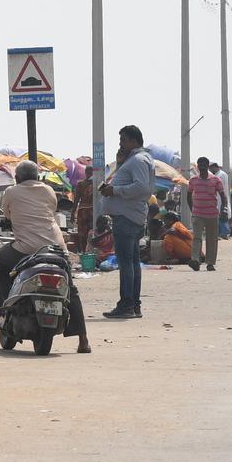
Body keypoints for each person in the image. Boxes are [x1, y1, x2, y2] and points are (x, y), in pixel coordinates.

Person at [0, 161, 90, 353]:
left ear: (17, 178)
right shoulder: (49, 191)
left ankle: (5, 306)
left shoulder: (11, 191)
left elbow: (8, 215)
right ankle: (83, 341)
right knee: (71, 289)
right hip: (56, 249)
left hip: (25, 249)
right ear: (37, 177)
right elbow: (49, 212)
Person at [99, 125, 156, 319]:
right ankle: (133, 304)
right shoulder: (137, 159)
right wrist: (120, 163)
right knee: (132, 263)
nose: (121, 144)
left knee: (126, 264)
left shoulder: (139, 160)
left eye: (123, 140)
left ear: (133, 141)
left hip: (127, 217)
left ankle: (127, 305)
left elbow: (141, 188)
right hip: (130, 216)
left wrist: (114, 191)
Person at [187, 156, 227, 272]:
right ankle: (195, 260)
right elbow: (188, 196)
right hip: (197, 214)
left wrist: (223, 209)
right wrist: (192, 210)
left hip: (212, 214)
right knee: (197, 238)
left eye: (204, 165)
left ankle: (210, 263)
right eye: (200, 165)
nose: (202, 168)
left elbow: (223, 196)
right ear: (198, 167)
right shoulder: (193, 180)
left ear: (208, 166)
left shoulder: (215, 180)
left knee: (212, 239)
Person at [73, 166, 95, 252]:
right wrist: (72, 213)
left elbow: (76, 200)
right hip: (89, 211)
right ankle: (86, 252)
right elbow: (76, 199)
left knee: (85, 234)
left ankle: (85, 252)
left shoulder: (82, 184)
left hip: (84, 211)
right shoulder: (95, 184)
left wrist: (73, 213)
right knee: (87, 233)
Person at [209, 162, 232, 239]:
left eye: (210, 168)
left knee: (222, 217)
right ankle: (222, 233)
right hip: (220, 198)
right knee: (222, 216)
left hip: (219, 198)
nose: (210, 170)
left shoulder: (220, 175)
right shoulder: (222, 174)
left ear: (214, 167)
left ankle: (224, 233)